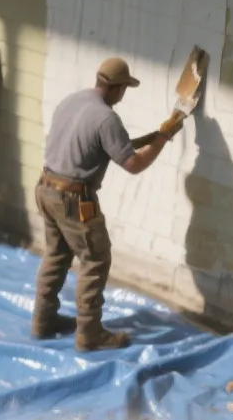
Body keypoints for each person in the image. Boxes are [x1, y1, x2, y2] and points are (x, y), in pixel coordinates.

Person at [33, 56, 178, 350]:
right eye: (124, 88)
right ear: (116, 88)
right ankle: (89, 334)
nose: (124, 94)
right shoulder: (107, 118)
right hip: (73, 198)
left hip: (46, 188)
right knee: (96, 258)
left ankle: (42, 321)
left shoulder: (73, 101)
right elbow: (133, 164)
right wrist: (162, 141)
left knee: (57, 254)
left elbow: (101, 144)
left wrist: (153, 135)